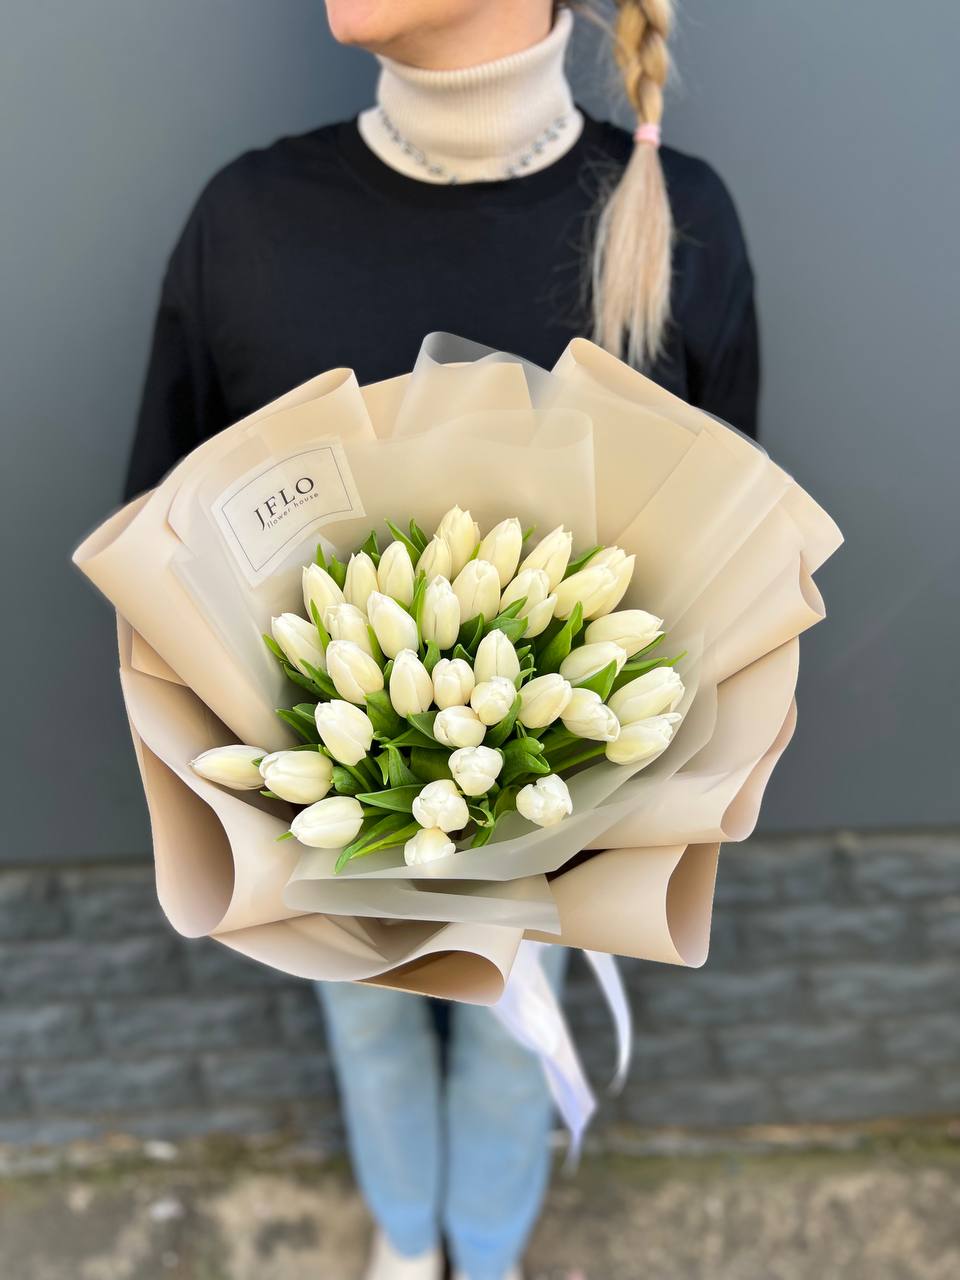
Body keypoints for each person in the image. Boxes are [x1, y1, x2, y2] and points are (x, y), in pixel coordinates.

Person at [125, 3, 759, 1277]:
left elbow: (727, 556)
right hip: (322, 790)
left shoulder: (674, 214)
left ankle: (488, 1242)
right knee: (361, 1015)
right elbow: (161, 515)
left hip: (566, 787)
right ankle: (409, 1236)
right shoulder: (249, 219)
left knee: (520, 1017)